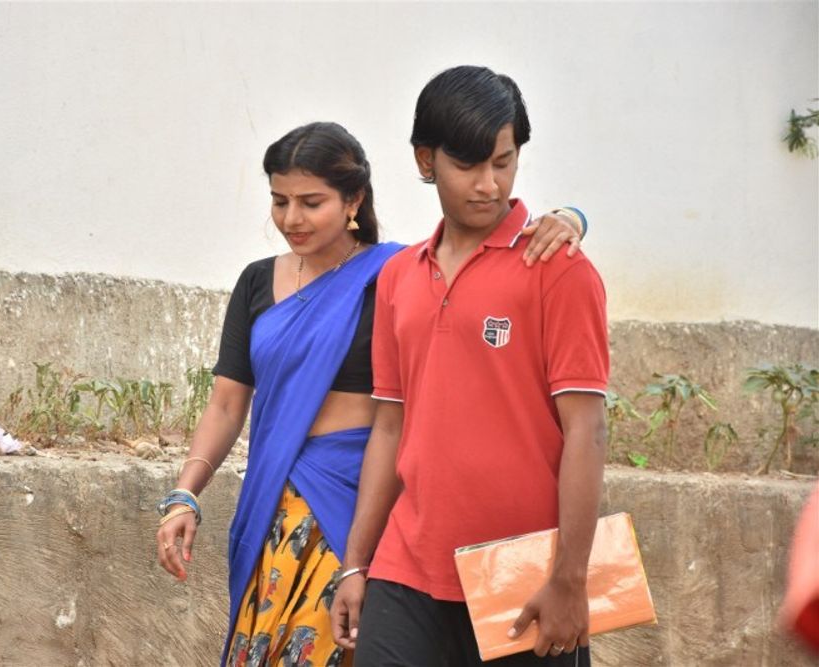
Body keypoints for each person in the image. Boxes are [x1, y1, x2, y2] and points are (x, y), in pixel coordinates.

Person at [155, 121, 588, 667]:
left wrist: (571, 217)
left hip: (361, 503)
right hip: (274, 508)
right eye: (280, 202)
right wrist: (186, 494)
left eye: (312, 202)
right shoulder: (256, 283)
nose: (292, 219)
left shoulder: (395, 273)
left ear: (354, 200)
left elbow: (475, 257)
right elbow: (226, 403)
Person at [330, 66, 609, 667]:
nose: (489, 184)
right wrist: (356, 563)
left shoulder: (558, 269)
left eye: (504, 162)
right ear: (425, 160)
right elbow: (389, 426)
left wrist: (570, 578)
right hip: (407, 570)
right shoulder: (398, 277)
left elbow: (587, 429)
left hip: (526, 577)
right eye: (468, 166)